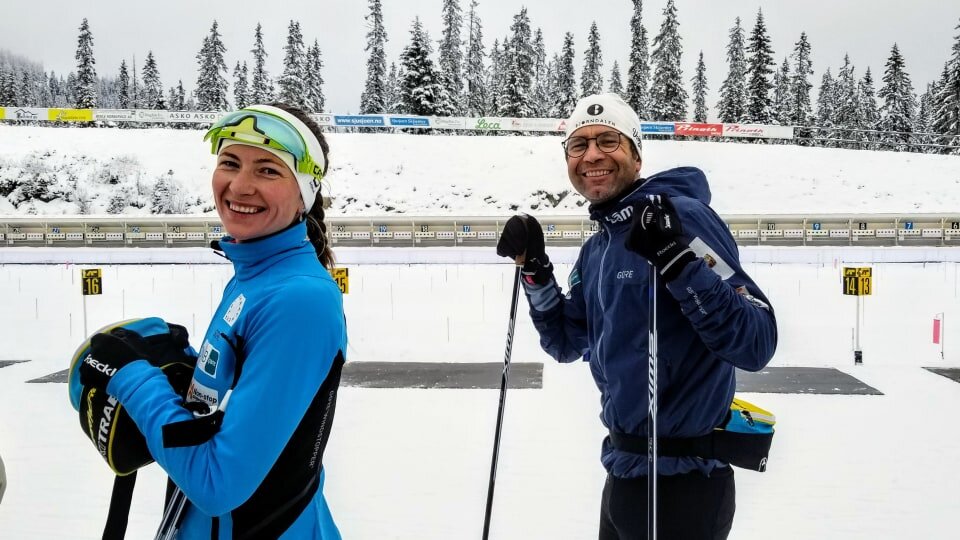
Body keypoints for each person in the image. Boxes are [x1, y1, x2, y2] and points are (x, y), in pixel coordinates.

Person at [496, 93, 778, 539]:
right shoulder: (598, 248)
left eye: (608, 140)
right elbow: (568, 342)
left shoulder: (682, 218)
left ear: (636, 153)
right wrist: (536, 272)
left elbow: (756, 340)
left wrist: (678, 261)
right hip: (624, 475)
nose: (591, 155)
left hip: (686, 486)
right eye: (578, 145)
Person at [79, 103, 347, 539]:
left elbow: (218, 484)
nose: (240, 186)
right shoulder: (256, 276)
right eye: (230, 163)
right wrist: (179, 377)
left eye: (268, 170)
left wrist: (133, 380)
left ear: (305, 192)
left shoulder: (300, 300)